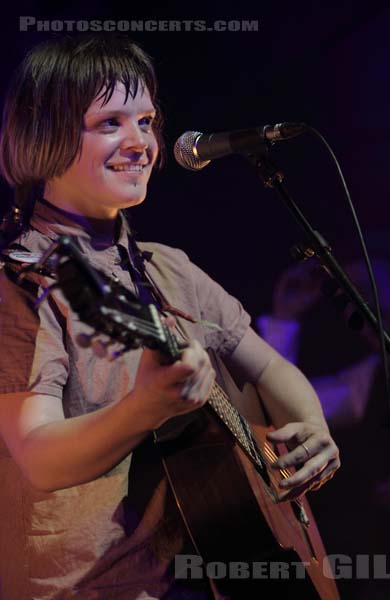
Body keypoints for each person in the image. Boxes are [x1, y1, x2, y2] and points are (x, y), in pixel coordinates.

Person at [0, 34, 340, 600]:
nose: (141, 142)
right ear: (44, 135)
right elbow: (38, 457)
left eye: (148, 121)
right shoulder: (24, 277)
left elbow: (270, 369)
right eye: (110, 123)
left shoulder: (169, 268)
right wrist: (148, 406)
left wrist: (315, 430)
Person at [257, 256, 390, 599]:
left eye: (366, 290)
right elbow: (284, 409)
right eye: (349, 295)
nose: (359, 306)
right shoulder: (374, 377)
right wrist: (285, 318)